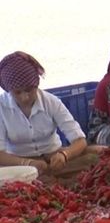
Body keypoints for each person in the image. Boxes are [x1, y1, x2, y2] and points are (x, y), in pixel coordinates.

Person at [0, 52, 101, 182]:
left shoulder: (51, 102)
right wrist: (28, 163)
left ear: (36, 84)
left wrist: (64, 155)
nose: (24, 97)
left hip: (54, 158)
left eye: (29, 90)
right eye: (17, 92)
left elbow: (80, 141)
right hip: (19, 164)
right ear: (8, 90)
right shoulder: (2, 107)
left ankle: (52, 179)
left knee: (100, 153)